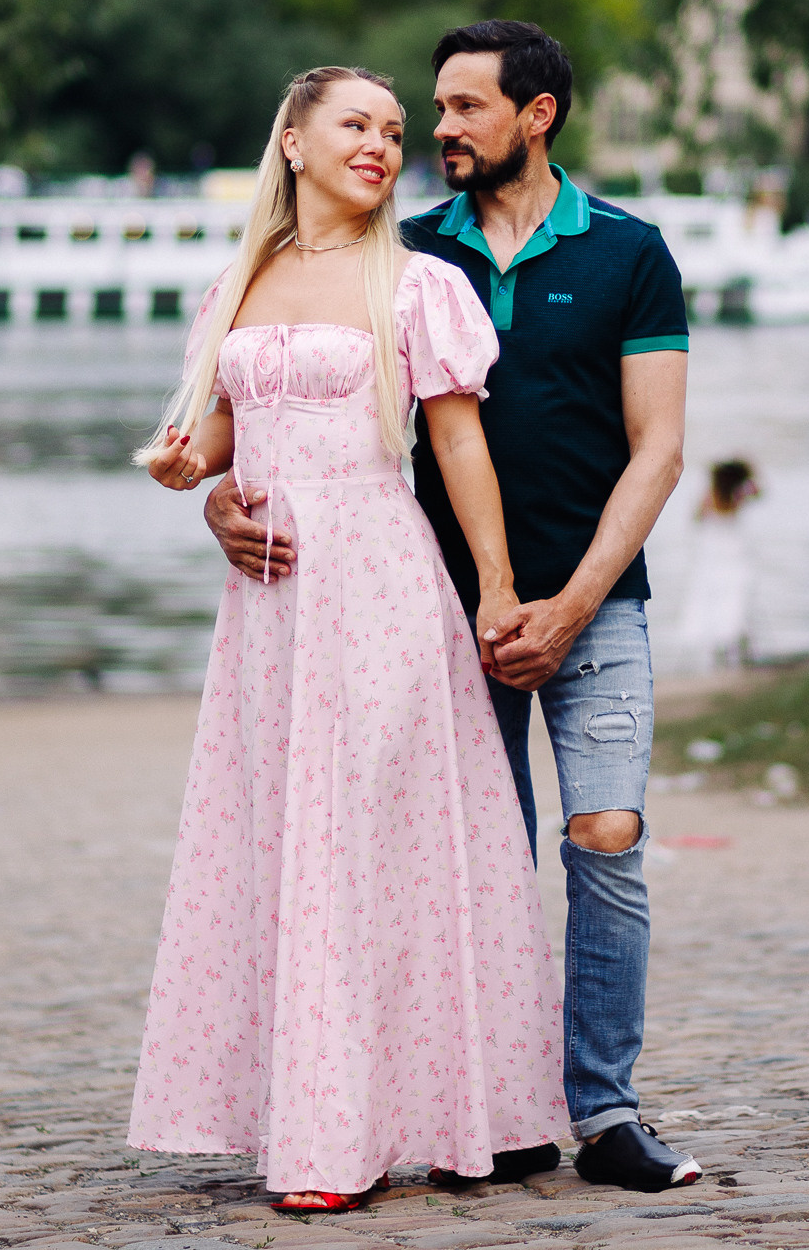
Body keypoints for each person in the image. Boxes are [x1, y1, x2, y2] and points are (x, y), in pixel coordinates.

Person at [204, 23, 702, 1195]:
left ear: (537, 116)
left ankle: (608, 1109)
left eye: (462, 108)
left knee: (607, 840)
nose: (434, 131)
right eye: (424, 109)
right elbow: (283, 408)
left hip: (592, 605)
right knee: (469, 858)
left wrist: (569, 602)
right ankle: (499, 1107)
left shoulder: (631, 252)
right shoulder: (400, 251)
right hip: (427, 611)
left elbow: (661, 450)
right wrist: (222, 500)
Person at [127, 66, 566, 1211]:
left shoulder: (413, 285)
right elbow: (213, 439)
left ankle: (355, 1139)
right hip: (270, 606)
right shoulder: (238, 282)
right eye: (355, 126)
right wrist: (202, 484)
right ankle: (319, 1117)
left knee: (371, 850)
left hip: (376, 587)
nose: (382, 145)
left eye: (392, 130)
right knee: (280, 844)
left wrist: (497, 586)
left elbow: (458, 449)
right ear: (293, 140)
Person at [677, 459, 760, 668]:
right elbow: (759, 492)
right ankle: (733, 643)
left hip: (713, 555)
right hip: (734, 553)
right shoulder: (738, 496)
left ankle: (717, 648)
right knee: (734, 597)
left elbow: (695, 519)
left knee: (711, 598)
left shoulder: (711, 497)